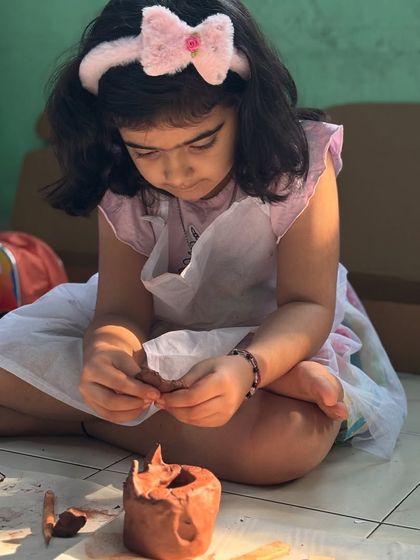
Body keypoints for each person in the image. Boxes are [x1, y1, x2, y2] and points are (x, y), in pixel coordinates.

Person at [0, 0, 406, 485]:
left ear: (244, 109)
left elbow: (306, 306)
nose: (174, 172)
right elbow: (121, 312)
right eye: (145, 149)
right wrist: (106, 358)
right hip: (158, 334)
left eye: (200, 142)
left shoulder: (298, 164)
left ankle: (80, 418)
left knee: (280, 447)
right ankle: (100, 415)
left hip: (273, 339)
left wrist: (249, 369)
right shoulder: (123, 176)